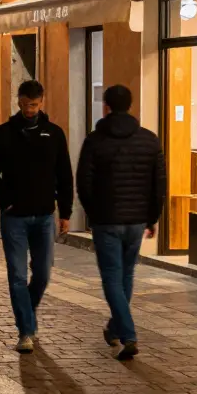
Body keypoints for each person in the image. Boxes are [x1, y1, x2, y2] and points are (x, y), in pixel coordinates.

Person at [0, 79, 74, 355]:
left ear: (41, 102)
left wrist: (66, 212)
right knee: (17, 276)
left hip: (46, 215)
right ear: (19, 102)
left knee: (44, 273)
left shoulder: (54, 134)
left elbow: (64, 175)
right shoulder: (5, 133)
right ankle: (26, 331)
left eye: (33, 105)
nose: (28, 110)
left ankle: (27, 312)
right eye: (24, 105)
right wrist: (6, 202)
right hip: (15, 217)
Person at [77, 84, 165, 361]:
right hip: (137, 220)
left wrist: (93, 212)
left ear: (106, 106)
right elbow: (158, 183)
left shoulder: (95, 140)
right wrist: (152, 216)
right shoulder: (149, 140)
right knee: (126, 276)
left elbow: (84, 181)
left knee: (112, 278)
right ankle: (115, 328)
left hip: (107, 220)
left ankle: (128, 334)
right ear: (131, 105)